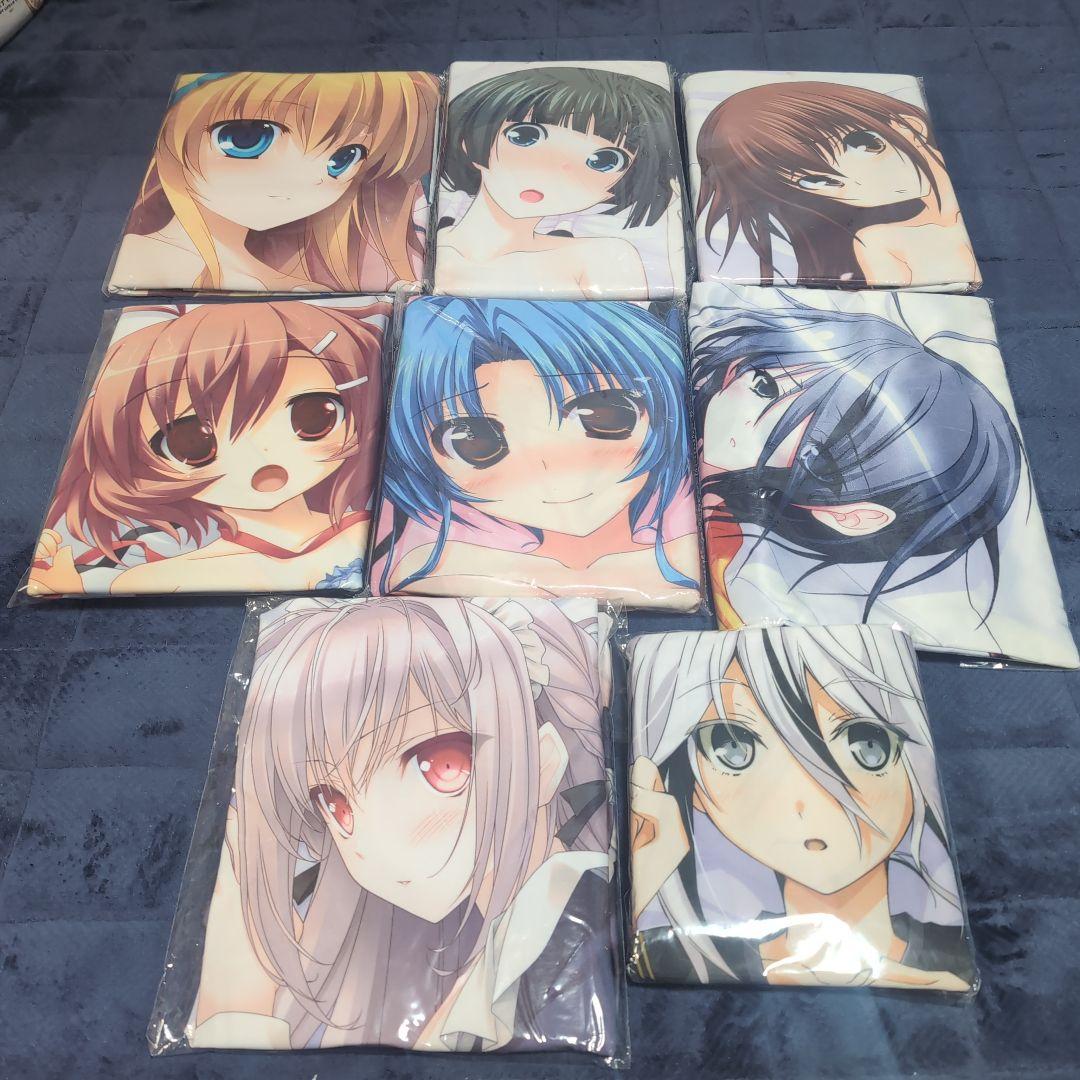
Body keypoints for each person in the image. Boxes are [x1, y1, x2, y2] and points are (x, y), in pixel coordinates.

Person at [187, 596, 618, 1052]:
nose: (375, 845)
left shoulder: (570, 930)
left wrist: (234, 1009)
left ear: (542, 763)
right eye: (335, 803)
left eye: (442, 766)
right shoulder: (464, 949)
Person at [629, 624, 976, 990]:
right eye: (732, 747)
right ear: (694, 788)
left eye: (866, 744)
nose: (805, 802)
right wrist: (648, 871)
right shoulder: (677, 955)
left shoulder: (951, 952)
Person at [28, 301, 387, 595]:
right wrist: (66, 579)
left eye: (312, 416)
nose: (261, 459)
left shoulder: (385, 530)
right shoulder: (170, 573)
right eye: (193, 443)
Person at [373, 296, 701, 610]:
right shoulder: (432, 566)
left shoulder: (687, 553)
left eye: (605, 415)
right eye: (474, 442)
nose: (549, 470)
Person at [110, 71, 439, 293]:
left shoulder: (301, 283)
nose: (305, 181)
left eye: (342, 158)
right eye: (248, 138)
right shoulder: (141, 258)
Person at [695, 80, 979, 288]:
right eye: (815, 180)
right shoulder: (880, 243)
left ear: (908, 125)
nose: (859, 183)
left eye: (866, 145)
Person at [436, 66, 681, 298]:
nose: (557, 170)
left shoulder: (602, 259)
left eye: (604, 160)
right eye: (525, 136)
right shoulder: (432, 257)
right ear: (469, 140)